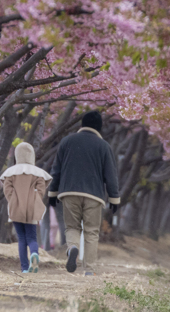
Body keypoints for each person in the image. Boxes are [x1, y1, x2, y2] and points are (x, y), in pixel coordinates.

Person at [47, 111, 120, 276]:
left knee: (72, 227)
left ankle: (73, 248)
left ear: (82, 124)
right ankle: (89, 270)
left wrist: (52, 193)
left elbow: (56, 170)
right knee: (91, 231)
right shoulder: (104, 146)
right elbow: (111, 175)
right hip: (94, 195)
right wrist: (114, 199)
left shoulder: (67, 142)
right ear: (99, 126)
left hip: (69, 192)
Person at [0, 141, 52, 274]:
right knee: (32, 237)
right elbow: (41, 188)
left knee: (21, 238)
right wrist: (35, 198)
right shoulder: (37, 173)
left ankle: (24, 268)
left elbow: (7, 188)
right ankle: (34, 254)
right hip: (31, 208)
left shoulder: (11, 172)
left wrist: (13, 199)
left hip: (15, 208)